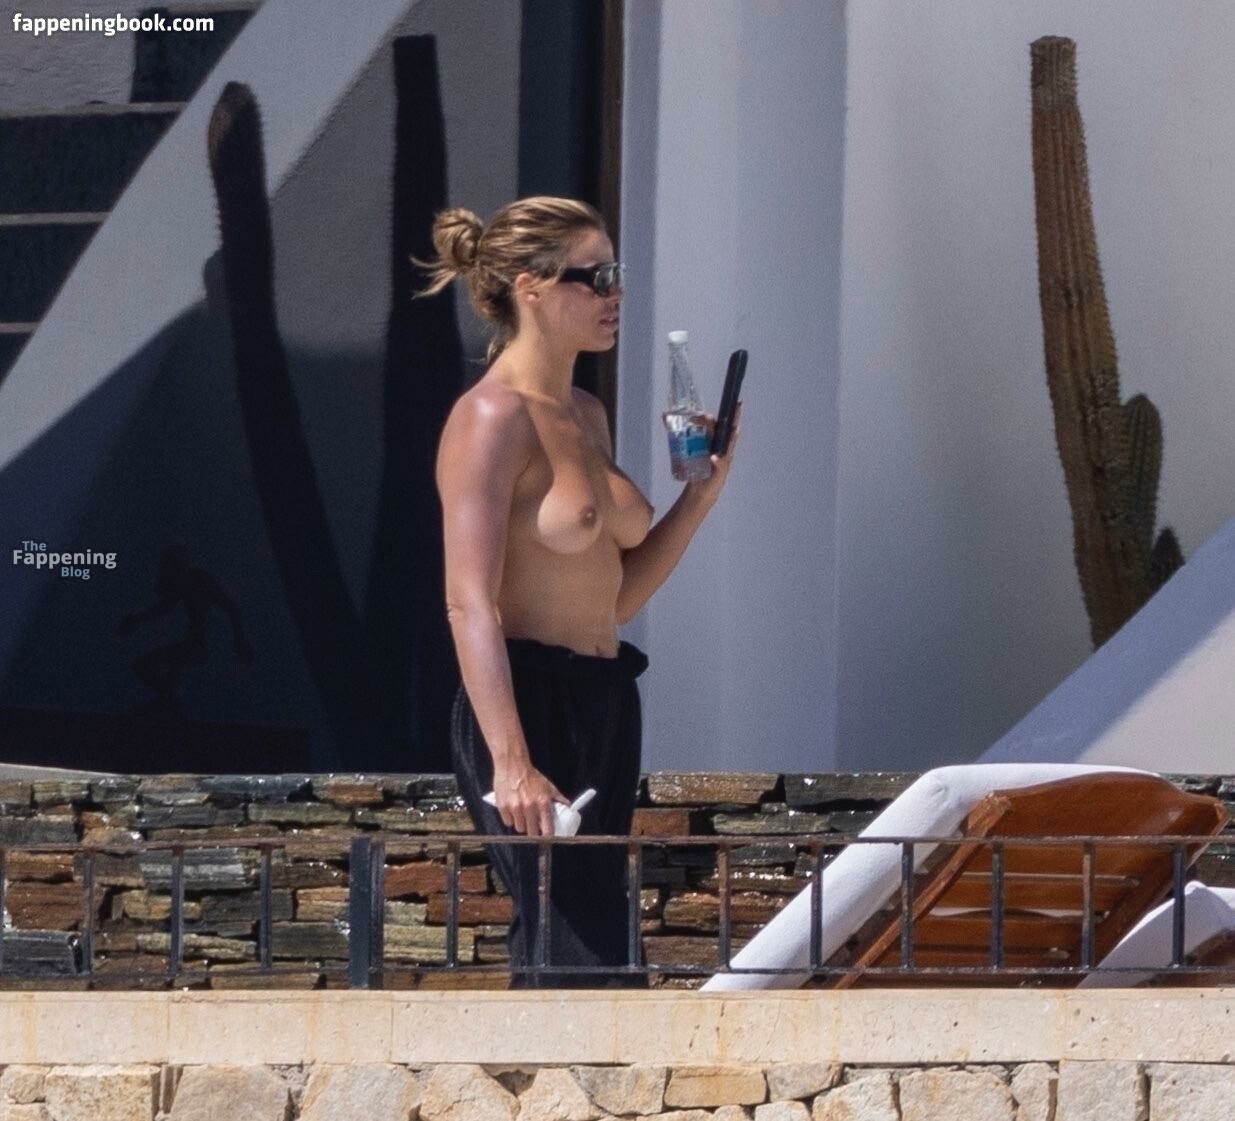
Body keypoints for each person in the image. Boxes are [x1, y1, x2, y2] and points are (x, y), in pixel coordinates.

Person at [424, 196, 742, 987]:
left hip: (604, 698)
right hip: (527, 701)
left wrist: (699, 498)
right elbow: (468, 602)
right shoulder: (489, 418)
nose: (615, 293)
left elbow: (617, 599)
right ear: (530, 287)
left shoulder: (583, 413)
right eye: (594, 277)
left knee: (589, 945)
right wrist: (511, 761)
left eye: (616, 273)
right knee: (576, 950)